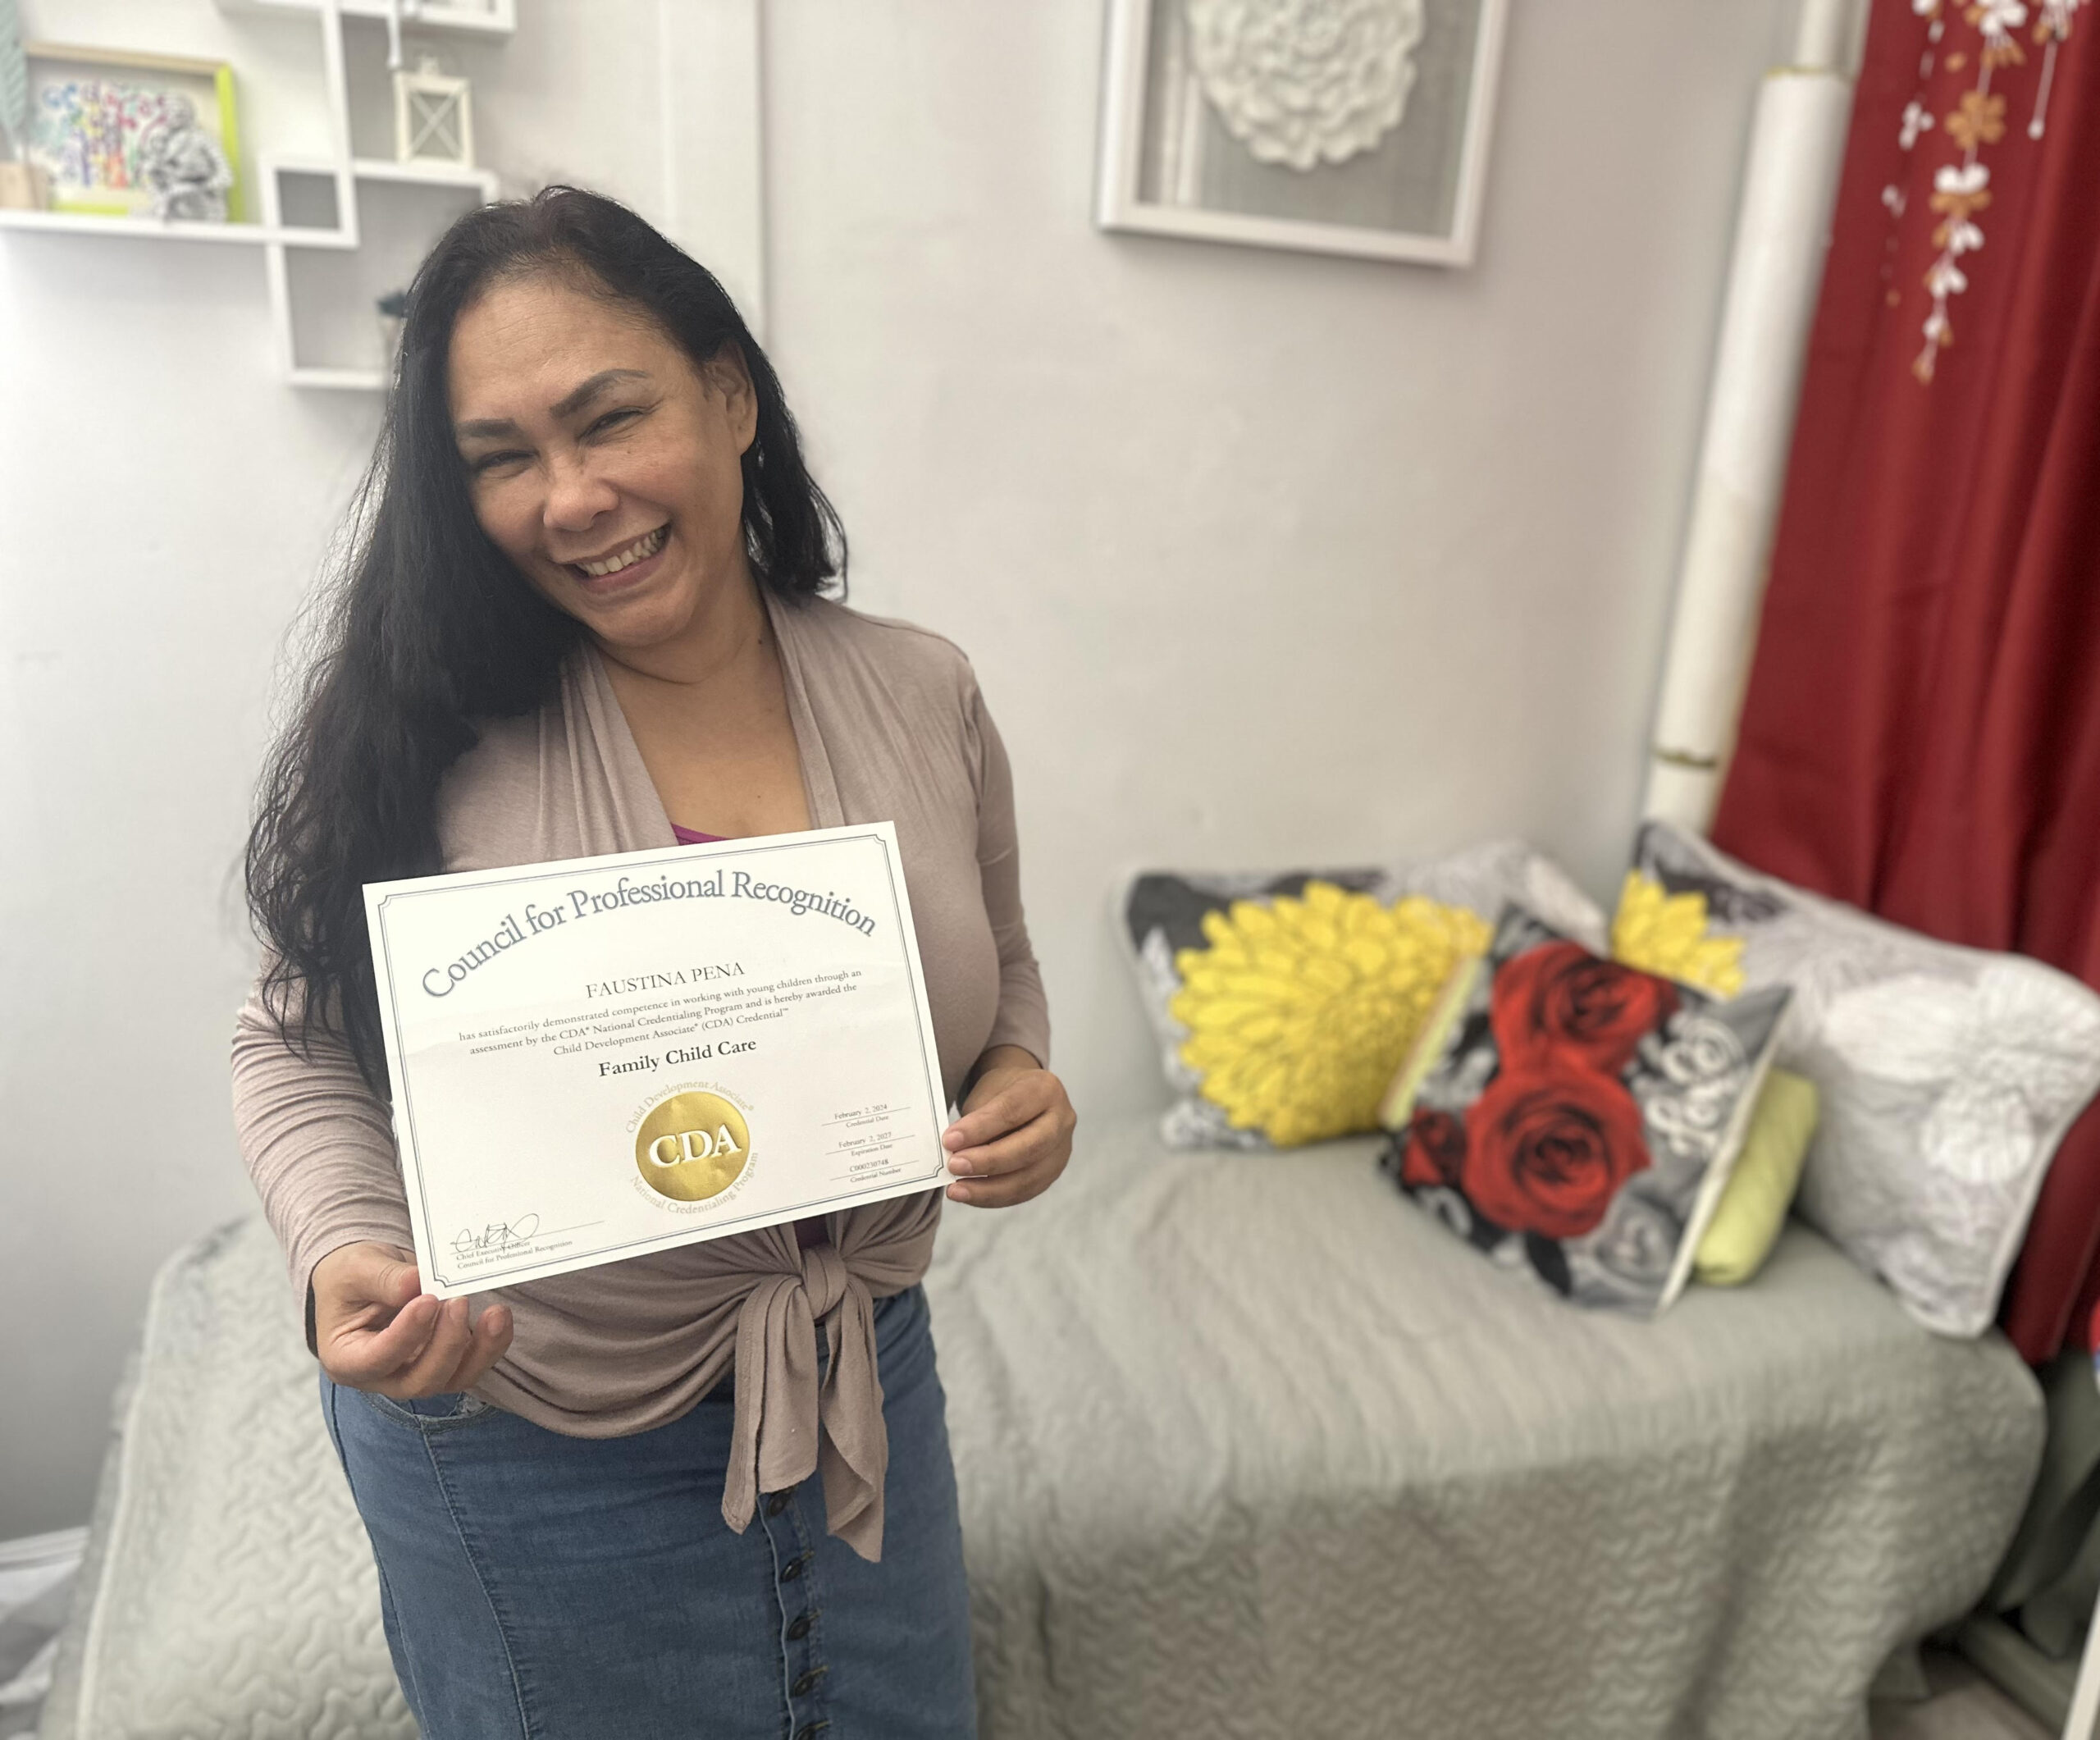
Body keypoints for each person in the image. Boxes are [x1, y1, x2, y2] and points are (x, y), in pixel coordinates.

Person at [235, 185, 1075, 1740]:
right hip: (529, 1436)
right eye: (502, 458)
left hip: (858, 1382)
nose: (571, 498)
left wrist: (1021, 1077)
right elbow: (293, 1038)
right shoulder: (430, 730)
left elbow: (1000, 968)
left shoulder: (921, 687)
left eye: (608, 418)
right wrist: (345, 1247)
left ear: (731, 396)